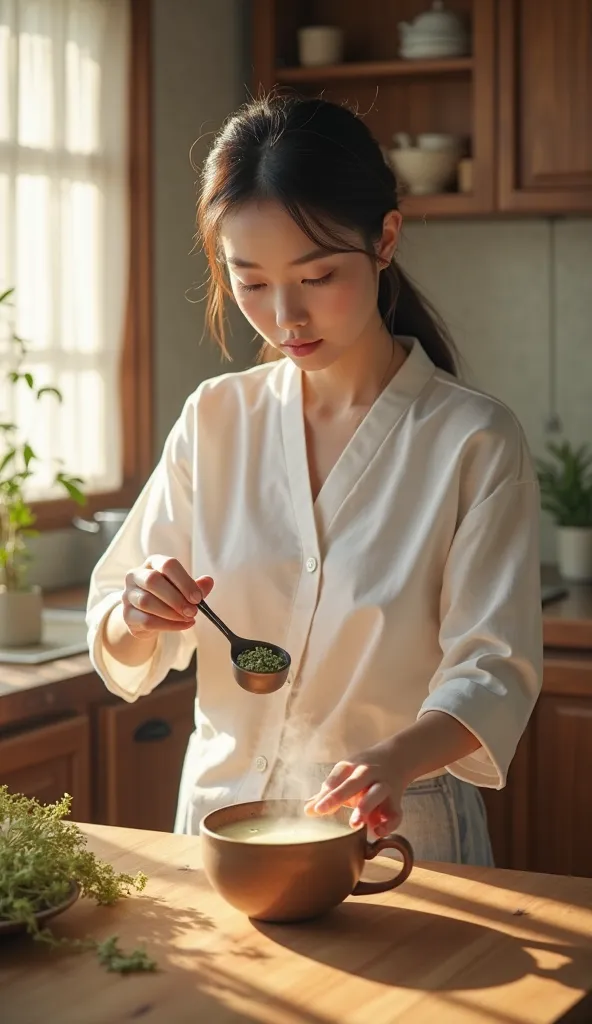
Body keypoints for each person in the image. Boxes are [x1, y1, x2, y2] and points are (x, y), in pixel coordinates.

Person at [86, 94, 542, 864]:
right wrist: (137, 611)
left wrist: (395, 759)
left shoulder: (473, 440)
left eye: (318, 274)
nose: (286, 316)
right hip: (223, 827)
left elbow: (495, 670)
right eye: (251, 282)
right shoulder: (216, 420)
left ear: (386, 239)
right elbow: (120, 640)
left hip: (396, 835)